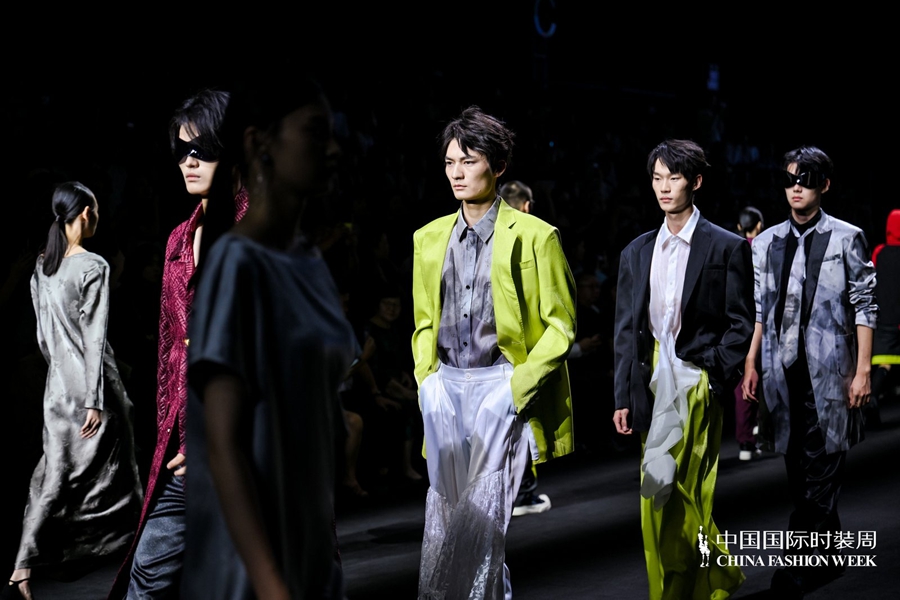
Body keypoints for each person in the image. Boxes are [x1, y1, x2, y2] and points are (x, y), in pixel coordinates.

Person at [183, 79, 356, 600]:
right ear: (260, 143)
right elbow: (225, 445)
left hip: (309, 557)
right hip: (249, 576)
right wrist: (271, 585)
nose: (333, 149)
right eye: (316, 133)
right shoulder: (237, 265)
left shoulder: (310, 262)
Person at [412, 106, 576, 599]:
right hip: (445, 387)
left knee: (484, 527)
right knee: (445, 524)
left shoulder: (537, 236)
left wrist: (515, 387)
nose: (457, 173)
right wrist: (426, 381)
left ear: (498, 166)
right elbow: (423, 322)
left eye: (469, 161)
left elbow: (561, 325)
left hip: (500, 385)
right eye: (450, 162)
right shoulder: (428, 239)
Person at [109, 89, 249, 600]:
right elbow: (171, 353)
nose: (189, 161)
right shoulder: (176, 242)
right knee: (149, 575)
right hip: (183, 450)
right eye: (182, 150)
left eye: (203, 149)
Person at [613, 140, 751, 599]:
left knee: (689, 489)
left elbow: (741, 322)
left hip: (695, 378)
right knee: (655, 492)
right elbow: (626, 329)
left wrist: (713, 373)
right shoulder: (636, 251)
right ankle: (712, 577)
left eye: (673, 177)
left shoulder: (726, 246)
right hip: (652, 380)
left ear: (696, 181)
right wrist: (622, 395)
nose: (664, 187)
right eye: (657, 178)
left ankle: (681, 591)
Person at [742, 146, 877, 596]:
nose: (796, 186)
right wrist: (751, 362)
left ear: (825, 184)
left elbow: (864, 305)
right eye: (789, 179)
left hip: (832, 372)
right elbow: (760, 308)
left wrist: (863, 371)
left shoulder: (847, 237)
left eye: (806, 178)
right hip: (782, 373)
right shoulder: (766, 242)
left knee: (822, 469)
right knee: (798, 470)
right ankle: (830, 556)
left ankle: (800, 565)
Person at [5, 182, 142, 600]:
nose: (97, 217)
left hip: (58, 386)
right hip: (92, 387)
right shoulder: (93, 265)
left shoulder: (41, 267)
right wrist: (94, 400)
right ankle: (133, 558)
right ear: (84, 213)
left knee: (51, 476)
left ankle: (24, 565)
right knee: (120, 475)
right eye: (95, 210)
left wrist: (60, 379)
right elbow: (95, 337)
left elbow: (43, 338)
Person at [735, 206, 765, 460]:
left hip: (737, 323)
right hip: (762, 322)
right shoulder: (764, 248)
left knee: (742, 381)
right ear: (759, 226)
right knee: (761, 375)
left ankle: (746, 439)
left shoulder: (732, 249)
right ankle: (758, 430)